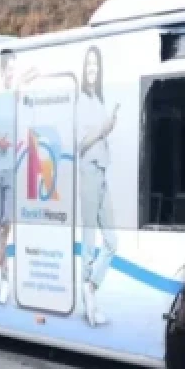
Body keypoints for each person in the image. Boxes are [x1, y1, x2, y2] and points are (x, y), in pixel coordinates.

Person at [0, 51, 37, 304]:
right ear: (2, 71)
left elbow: (27, 86)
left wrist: (25, 80)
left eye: (14, 70)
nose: (12, 74)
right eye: (9, 70)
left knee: (7, 223)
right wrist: (1, 142)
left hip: (16, 169)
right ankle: (3, 277)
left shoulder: (17, 97)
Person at [76, 46, 119, 327]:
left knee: (112, 241)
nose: (92, 71)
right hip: (89, 172)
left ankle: (90, 286)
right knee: (90, 239)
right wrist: (104, 128)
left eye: (96, 66)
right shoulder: (80, 101)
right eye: (89, 66)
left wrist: (108, 125)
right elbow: (80, 143)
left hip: (102, 171)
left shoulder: (98, 100)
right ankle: (88, 298)